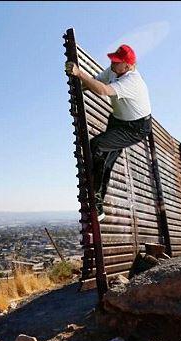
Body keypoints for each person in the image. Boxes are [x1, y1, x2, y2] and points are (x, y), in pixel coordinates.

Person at [65, 44, 152, 222]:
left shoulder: (132, 81)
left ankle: (96, 201)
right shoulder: (114, 70)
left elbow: (103, 91)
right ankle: (98, 205)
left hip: (135, 128)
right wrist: (78, 88)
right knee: (105, 158)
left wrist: (79, 73)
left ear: (127, 66)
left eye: (117, 61)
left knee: (97, 146)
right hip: (118, 120)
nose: (112, 63)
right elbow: (97, 81)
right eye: (113, 59)